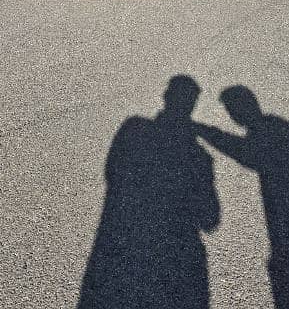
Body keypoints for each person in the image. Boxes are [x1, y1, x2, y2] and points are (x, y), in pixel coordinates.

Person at [77, 76, 220, 308]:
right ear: (193, 106)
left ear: (165, 97)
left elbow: (112, 171)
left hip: (116, 242)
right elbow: (210, 219)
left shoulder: (134, 127)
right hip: (178, 258)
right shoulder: (200, 157)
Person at [195, 86, 289, 309]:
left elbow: (247, 154)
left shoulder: (272, 129)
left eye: (231, 108)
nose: (231, 113)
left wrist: (204, 131)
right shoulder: (276, 126)